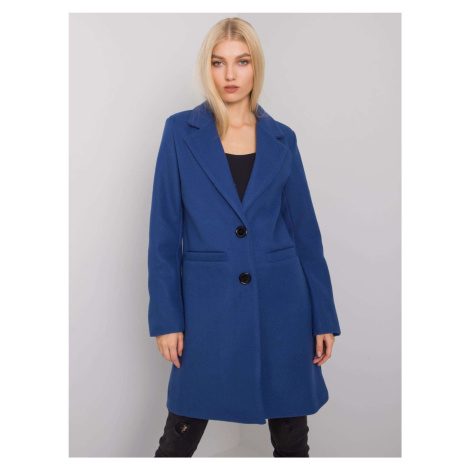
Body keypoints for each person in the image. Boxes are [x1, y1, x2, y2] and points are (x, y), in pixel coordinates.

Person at [148, 17, 341, 457]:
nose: (230, 74)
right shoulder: (180, 132)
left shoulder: (282, 139)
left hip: (283, 307)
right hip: (207, 309)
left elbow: (305, 234)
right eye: (218, 62)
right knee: (178, 438)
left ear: (256, 67)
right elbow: (164, 234)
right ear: (207, 68)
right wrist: (166, 318)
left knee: (292, 440)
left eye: (242, 61)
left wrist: (323, 316)